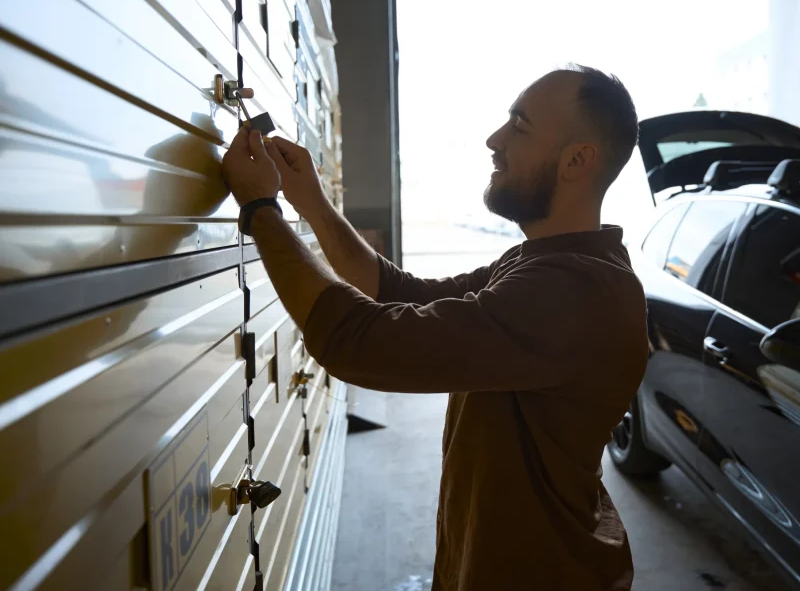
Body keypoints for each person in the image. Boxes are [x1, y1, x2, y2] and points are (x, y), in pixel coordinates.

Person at [221, 64, 649, 591]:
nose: (495, 142)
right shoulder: (542, 264)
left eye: (519, 126)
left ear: (578, 159)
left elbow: (362, 342)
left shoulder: (576, 291)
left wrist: (260, 211)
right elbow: (396, 291)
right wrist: (308, 200)